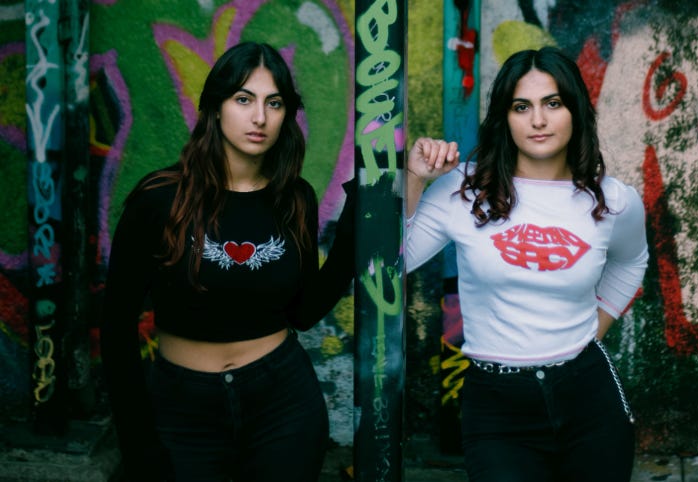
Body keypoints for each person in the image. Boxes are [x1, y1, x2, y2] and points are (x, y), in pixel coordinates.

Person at [100, 41, 353, 482]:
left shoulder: (295, 199)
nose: (260, 118)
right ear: (216, 107)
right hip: (182, 409)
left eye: (274, 103)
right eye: (243, 99)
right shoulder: (158, 199)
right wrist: (137, 440)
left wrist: (355, 228)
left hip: (283, 404)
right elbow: (116, 326)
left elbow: (305, 313)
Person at [406, 46, 648, 482]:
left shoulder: (613, 200)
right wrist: (413, 179)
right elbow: (390, 264)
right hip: (497, 408)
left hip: (588, 397)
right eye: (522, 107)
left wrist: (593, 329)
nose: (538, 120)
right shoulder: (461, 190)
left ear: (574, 110)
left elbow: (632, 262)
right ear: (505, 117)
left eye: (552, 103)